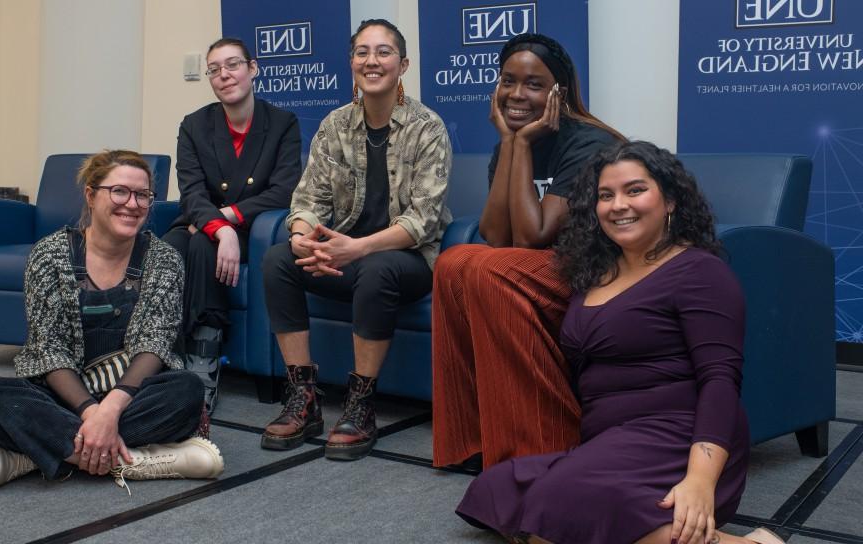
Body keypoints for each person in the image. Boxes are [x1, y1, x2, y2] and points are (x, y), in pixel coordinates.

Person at [456, 141, 782, 544]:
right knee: (496, 489)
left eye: (635, 190)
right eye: (605, 196)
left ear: (670, 201)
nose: (618, 205)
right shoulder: (594, 273)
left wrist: (699, 480)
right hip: (609, 444)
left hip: (681, 436)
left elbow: (720, 380)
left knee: (555, 506)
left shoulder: (700, 272)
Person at [0, 150, 224, 491]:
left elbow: (154, 345)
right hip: (64, 395)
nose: (132, 204)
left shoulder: (165, 259)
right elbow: (49, 349)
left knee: (187, 391)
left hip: (132, 394)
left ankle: (32, 455)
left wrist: (110, 411)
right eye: (119, 191)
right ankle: (136, 459)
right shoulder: (49, 254)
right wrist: (90, 413)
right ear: (91, 194)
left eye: (142, 195)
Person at [260, 19, 452, 461]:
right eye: (362, 52)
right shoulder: (335, 125)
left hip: (405, 261)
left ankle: (361, 403)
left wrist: (358, 247)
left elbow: (422, 220)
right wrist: (302, 237)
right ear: (351, 63)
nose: (372, 60)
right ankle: (303, 398)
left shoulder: (428, 128)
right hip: (344, 257)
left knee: (377, 267)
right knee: (277, 260)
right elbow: (309, 198)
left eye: (383, 52)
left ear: (402, 64)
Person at [431, 33, 625, 470]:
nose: (517, 94)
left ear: (560, 91)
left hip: (591, 271)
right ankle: (470, 440)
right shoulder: (510, 141)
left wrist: (518, 145)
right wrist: (512, 144)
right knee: (452, 263)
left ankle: (539, 449)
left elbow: (534, 236)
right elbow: (496, 236)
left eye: (535, 84)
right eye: (508, 81)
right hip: (536, 270)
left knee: (488, 271)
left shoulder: (588, 143)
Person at [164, 37, 302, 410]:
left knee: (198, 244)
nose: (224, 75)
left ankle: (202, 362)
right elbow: (191, 192)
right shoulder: (194, 125)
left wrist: (226, 220)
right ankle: (158, 358)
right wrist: (217, 227)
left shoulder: (281, 124)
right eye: (214, 69)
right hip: (199, 223)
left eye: (233, 65)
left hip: (248, 229)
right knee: (169, 249)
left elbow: (285, 190)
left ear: (253, 69)